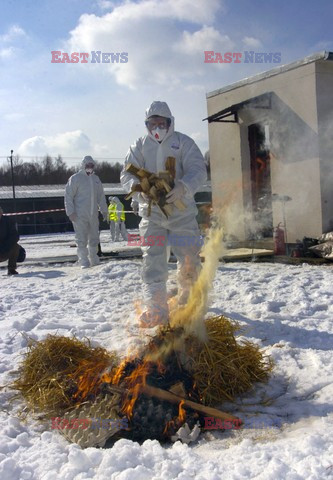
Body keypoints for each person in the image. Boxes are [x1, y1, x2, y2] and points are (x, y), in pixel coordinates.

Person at [121, 101, 207, 327]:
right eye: (152, 124)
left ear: (170, 123)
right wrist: (139, 193)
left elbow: (198, 170)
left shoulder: (183, 143)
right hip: (152, 216)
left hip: (182, 213)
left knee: (188, 257)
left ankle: (189, 304)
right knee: (153, 260)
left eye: (161, 123)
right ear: (146, 125)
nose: (157, 128)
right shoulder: (138, 146)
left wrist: (183, 187)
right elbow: (126, 175)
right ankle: (156, 308)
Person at [65, 156, 108, 268]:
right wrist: (70, 212)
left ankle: (94, 258)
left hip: (93, 214)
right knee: (81, 238)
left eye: (91, 166)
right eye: (87, 165)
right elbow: (68, 196)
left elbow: (101, 196)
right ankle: (83, 260)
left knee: (94, 237)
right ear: (83, 165)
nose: (89, 168)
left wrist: (104, 210)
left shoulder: (96, 179)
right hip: (79, 215)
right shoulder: (75, 178)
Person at [0, 206, 20, 275]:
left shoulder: (8, 221)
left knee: (16, 246)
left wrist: (5, 246)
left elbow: (15, 236)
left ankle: (11, 269)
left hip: (5, 249)